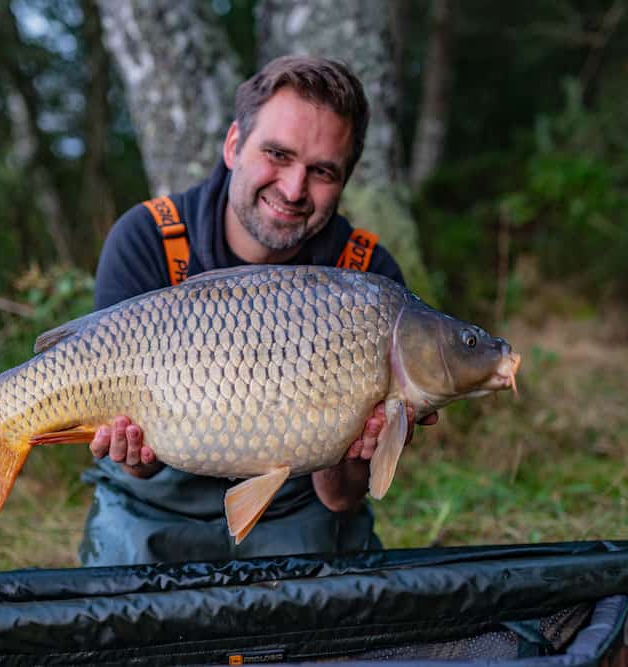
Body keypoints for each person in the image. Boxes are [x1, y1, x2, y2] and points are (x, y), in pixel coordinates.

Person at [79, 55, 437, 567]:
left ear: (345, 179)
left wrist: (356, 444)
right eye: (277, 154)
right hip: (154, 501)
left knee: (320, 629)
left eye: (322, 172)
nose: (293, 190)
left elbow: (340, 497)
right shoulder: (148, 240)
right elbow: (138, 467)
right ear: (232, 146)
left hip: (298, 503)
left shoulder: (369, 281)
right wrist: (129, 451)